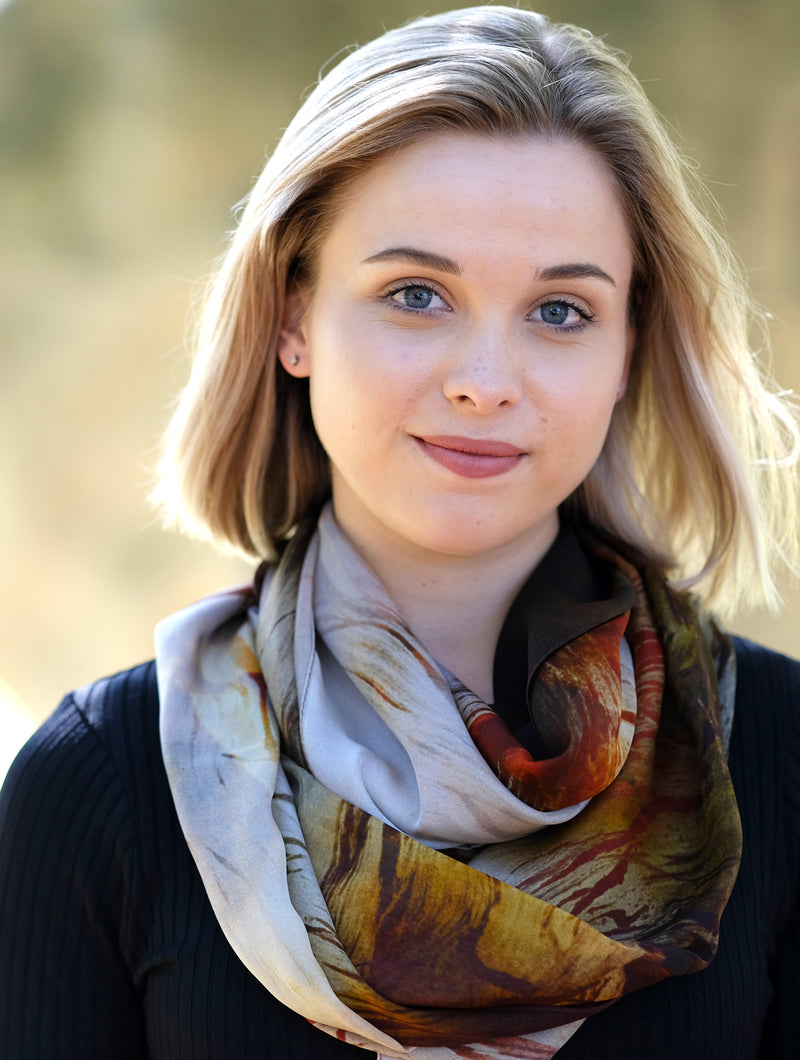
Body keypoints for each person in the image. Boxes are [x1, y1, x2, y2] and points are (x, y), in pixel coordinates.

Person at [1, 6, 798, 1058]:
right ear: (292, 319)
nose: (482, 383)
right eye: (415, 294)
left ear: (626, 352)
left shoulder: (779, 760)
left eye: (559, 310)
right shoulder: (103, 786)